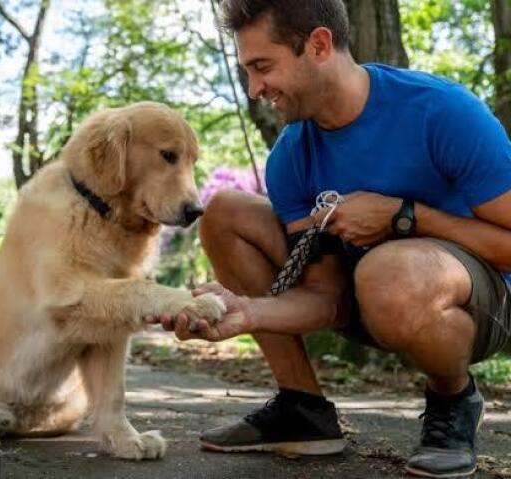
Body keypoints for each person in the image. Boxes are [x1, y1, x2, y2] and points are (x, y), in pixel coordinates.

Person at [147, 0, 511, 477]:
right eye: (248, 72)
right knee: (225, 211)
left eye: (263, 67)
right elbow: (327, 297)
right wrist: (246, 310)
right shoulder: (291, 156)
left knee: (391, 273)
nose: (255, 89)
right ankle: (304, 410)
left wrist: (407, 218)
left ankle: (453, 400)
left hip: (476, 302)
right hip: (368, 294)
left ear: (318, 45)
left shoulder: (440, 112)